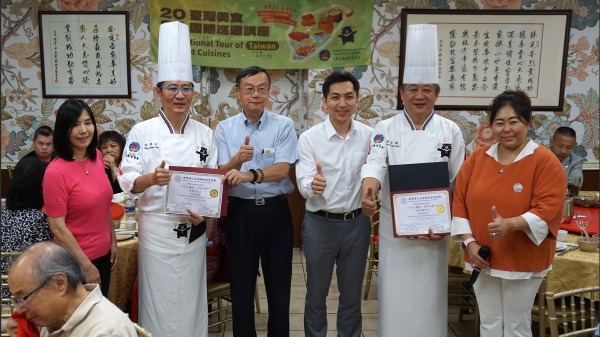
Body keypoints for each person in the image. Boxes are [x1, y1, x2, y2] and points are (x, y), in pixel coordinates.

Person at [360, 24, 465, 336]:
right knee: (395, 297)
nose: (420, 95)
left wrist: (450, 222)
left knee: (430, 298)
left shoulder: (451, 130)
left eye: (427, 89)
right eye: (412, 89)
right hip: (396, 230)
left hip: (434, 230)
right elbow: (375, 164)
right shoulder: (385, 127)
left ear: (437, 93)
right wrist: (369, 191)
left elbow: (459, 180)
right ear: (402, 93)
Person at [118, 21, 217, 337]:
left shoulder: (205, 134)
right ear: (158, 92)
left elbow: (212, 183)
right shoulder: (141, 132)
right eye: (172, 88)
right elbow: (127, 177)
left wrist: (206, 213)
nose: (179, 95)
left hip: (193, 232)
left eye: (185, 88)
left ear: (194, 93)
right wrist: (151, 178)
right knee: (158, 300)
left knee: (190, 298)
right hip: (156, 231)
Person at [451, 90, 566, 336]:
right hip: (482, 256)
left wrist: (510, 224)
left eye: (514, 121)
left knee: (516, 325)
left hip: (523, 258)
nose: (507, 129)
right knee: (489, 322)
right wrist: (469, 244)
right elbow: (459, 201)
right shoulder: (478, 159)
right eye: (499, 123)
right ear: (491, 126)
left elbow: (548, 208)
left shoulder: (545, 161)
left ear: (527, 122)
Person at [215, 65, 298, 337]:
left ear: (269, 92)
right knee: (241, 286)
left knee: (279, 286)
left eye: (262, 89)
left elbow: (283, 169)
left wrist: (249, 173)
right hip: (240, 215)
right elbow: (224, 172)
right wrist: (236, 161)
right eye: (249, 89)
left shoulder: (284, 125)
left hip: (276, 213)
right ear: (238, 93)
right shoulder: (225, 129)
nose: (256, 94)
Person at [296, 72, 373, 337]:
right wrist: (312, 186)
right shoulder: (310, 138)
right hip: (320, 224)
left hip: (357, 224)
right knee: (316, 294)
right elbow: (304, 181)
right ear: (325, 103)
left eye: (349, 97)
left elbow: (377, 173)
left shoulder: (370, 136)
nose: (343, 103)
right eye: (336, 97)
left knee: (351, 294)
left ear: (357, 100)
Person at [42, 99, 117, 297]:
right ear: (63, 131)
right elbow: (57, 226)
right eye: (75, 125)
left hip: (104, 254)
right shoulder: (55, 172)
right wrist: (86, 265)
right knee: (82, 322)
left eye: (87, 122)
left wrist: (113, 241)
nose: (84, 130)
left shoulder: (98, 157)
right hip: (76, 261)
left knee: (100, 320)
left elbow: (104, 204)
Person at [5, 241, 136, 337]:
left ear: (60, 283)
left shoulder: (105, 332)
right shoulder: (55, 318)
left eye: (24, 298)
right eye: (16, 300)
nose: (19, 309)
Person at [1, 157, 53, 299]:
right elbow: (47, 260)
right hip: (27, 293)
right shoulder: (39, 219)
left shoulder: (3, 213)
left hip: (4, 290)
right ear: (36, 188)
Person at [549, 126, 585, 193]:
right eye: (560, 146)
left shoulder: (575, 161)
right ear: (551, 142)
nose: (564, 151)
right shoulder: (540, 157)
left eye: (569, 147)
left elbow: (575, 186)